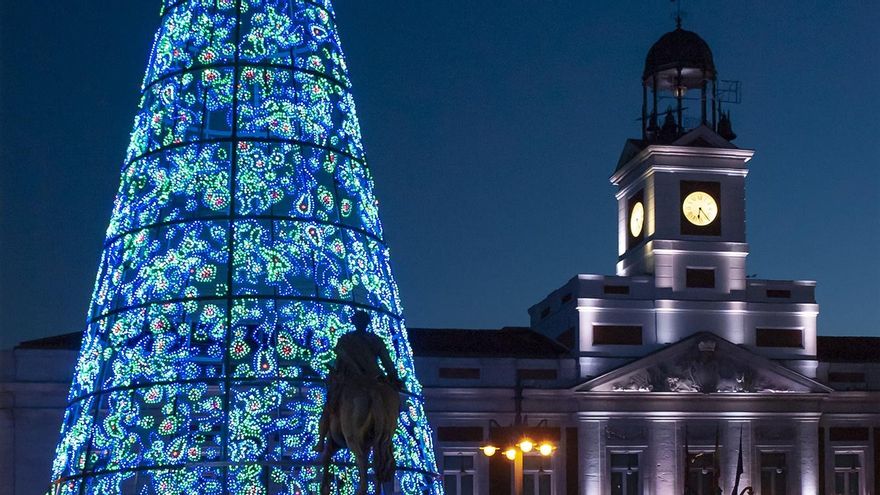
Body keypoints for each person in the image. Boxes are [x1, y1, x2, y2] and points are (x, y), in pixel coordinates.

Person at [315, 311, 402, 452]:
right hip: (375, 378)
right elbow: (387, 362)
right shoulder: (376, 339)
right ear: (367, 323)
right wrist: (393, 377)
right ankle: (390, 426)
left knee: (330, 405)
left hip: (353, 379)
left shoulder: (345, 339)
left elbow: (339, 363)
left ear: (354, 322)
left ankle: (321, 440)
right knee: (395, 401)